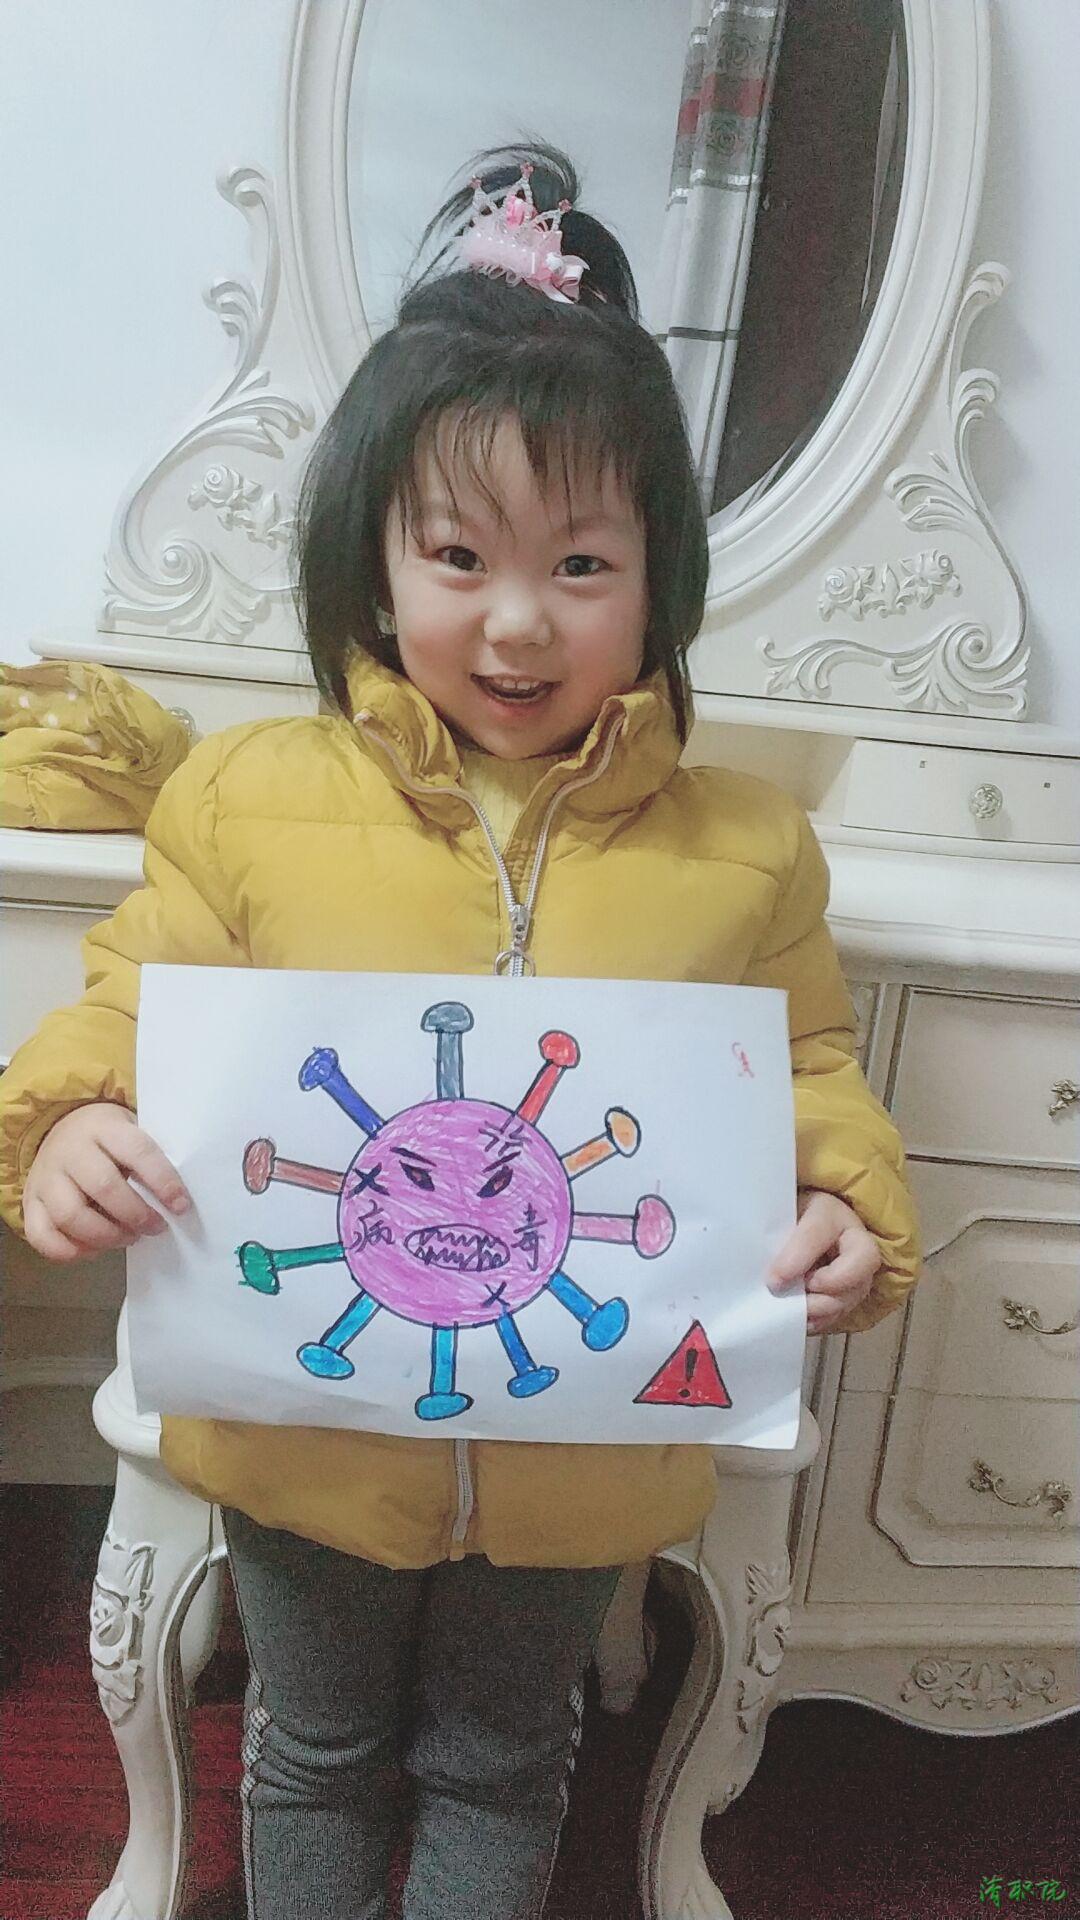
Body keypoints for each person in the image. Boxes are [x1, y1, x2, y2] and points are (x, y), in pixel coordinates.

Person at [0, 143, 920, 1920]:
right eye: (456, 553)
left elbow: (809, 1070)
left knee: (505, 1760)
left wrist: (847, 1206)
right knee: (313, 1747)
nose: (516, 618)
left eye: (581, 559)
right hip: (304, 1431)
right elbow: (128, 1008)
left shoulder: (745, 846)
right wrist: (63, 1129)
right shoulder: (245, 800)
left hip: (586, 1451)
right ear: (373, 552)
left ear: (661, 575)